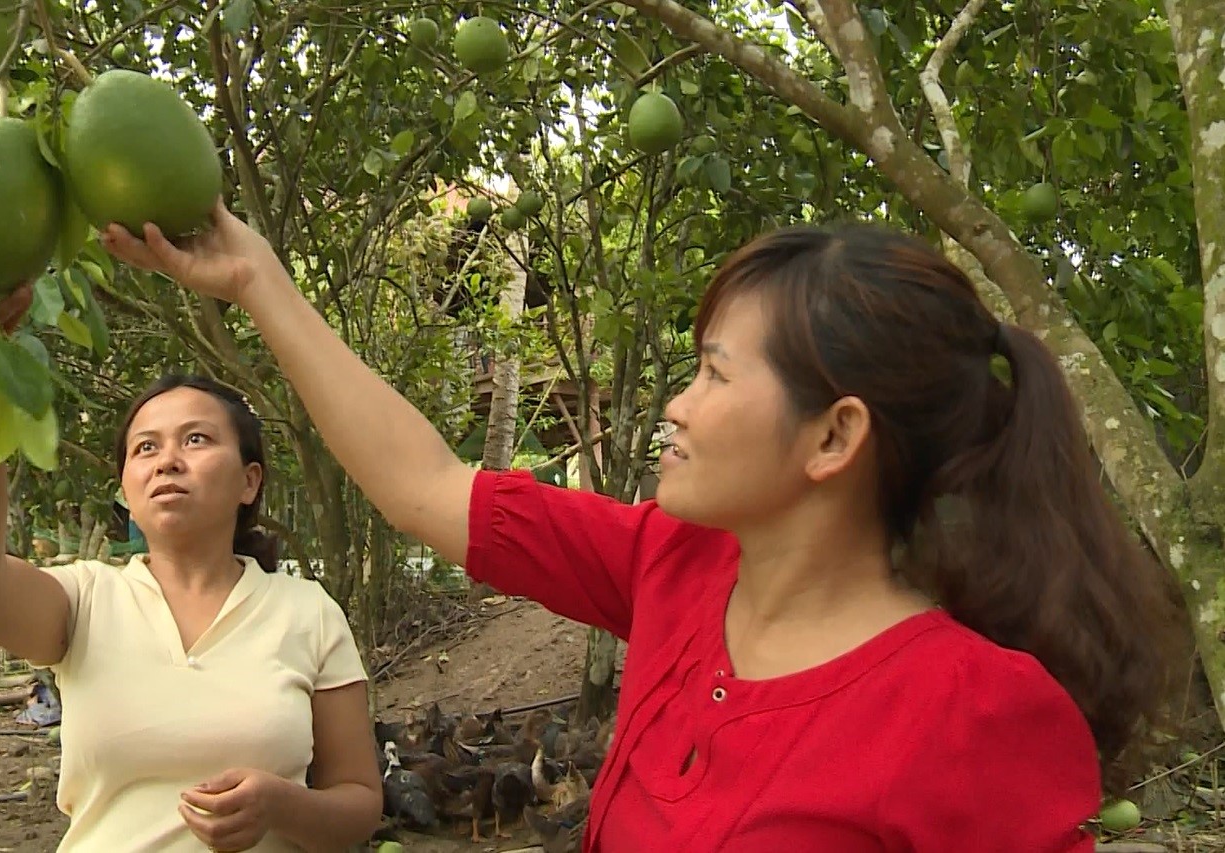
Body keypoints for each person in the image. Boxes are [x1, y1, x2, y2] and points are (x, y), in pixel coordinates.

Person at [95, 205, 1191, 852]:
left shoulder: (975, 712)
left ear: (833, 436)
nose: (675, 403)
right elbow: (423, 482)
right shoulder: (677, 566)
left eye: (714, 372)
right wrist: (258, 282)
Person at [0, 273, 383, 853]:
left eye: (196, 440)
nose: (167, 460)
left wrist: (282, 806)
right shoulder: (85, 600)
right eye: (146, 447)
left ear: (249, 481)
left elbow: (359, 803)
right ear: (127, 487)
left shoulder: (308, 612)